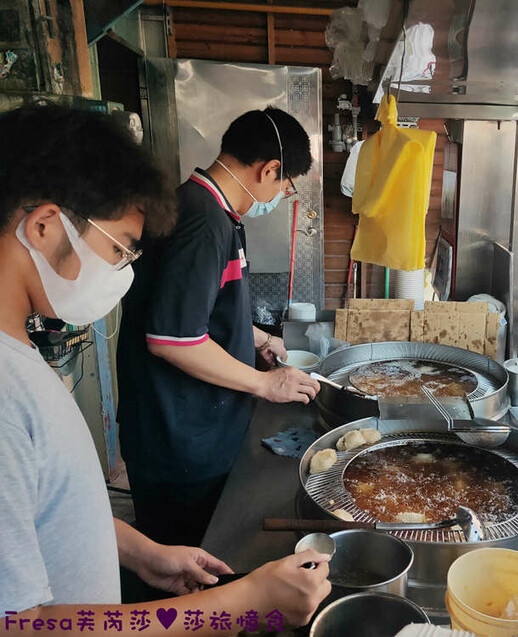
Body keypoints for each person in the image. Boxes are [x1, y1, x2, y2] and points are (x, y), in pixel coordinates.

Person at [0, 104, 329, 632]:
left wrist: (137, 550)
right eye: (121, 250)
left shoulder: (22, 362)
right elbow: (20, 624)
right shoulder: (6, 397)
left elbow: (49, 511)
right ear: (43, 226)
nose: (123, 273)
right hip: (178, 437)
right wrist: (245, 601)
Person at [118, 107, 322, 550]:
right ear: (268, 169)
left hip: (195, 432)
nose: (280, 197)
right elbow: (174, 341)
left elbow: (208, 316)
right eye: (285, 187)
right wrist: (264, 384)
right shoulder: (203, 222)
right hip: (177, 441)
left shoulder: (214, 213)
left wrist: (264, 340)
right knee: (183, 566)